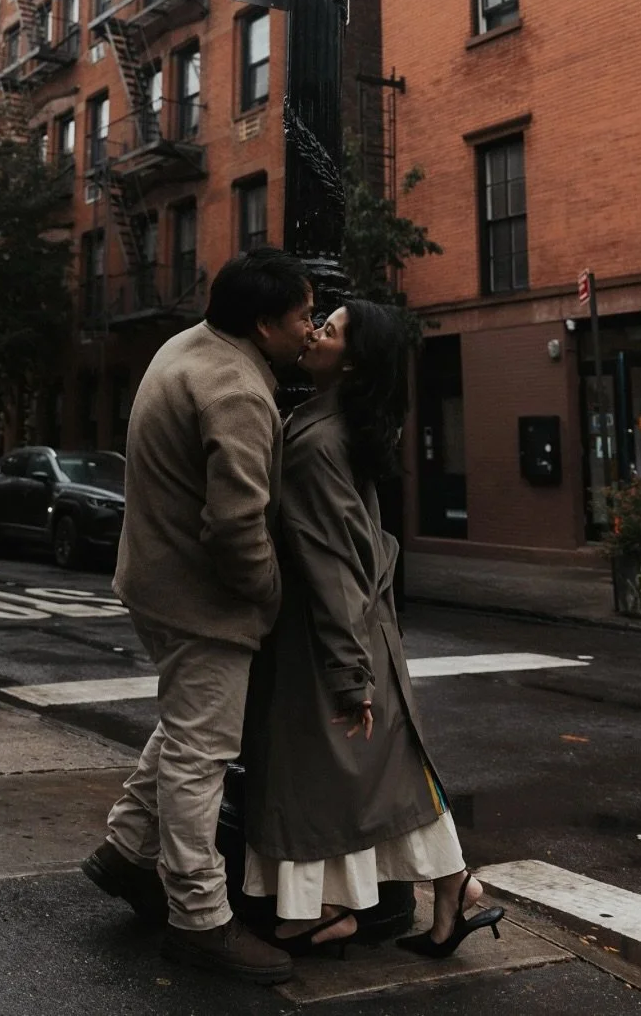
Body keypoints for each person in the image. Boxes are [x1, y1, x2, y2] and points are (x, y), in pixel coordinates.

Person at [241, 299, 505, 959]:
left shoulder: (318, 441)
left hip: (330, 639)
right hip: (352, 634)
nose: (313, 333)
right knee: (381, 770)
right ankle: (451, 888)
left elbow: (333, 564)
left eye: (328, 330)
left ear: (352, 362)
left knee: (320, 774)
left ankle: (329, 909)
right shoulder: (333, 426)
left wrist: (346, 673)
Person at [82, 246, 315, 985]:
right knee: (200, 755)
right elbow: (237, 528)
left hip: (156, 582)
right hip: (201, 603)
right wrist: (269, 596)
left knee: (187, 727)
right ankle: (200, 918)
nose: (311, 331)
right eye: (303, 316)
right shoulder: (237, 389)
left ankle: (127, 850)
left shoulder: (186, 347)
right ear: (264, 323)